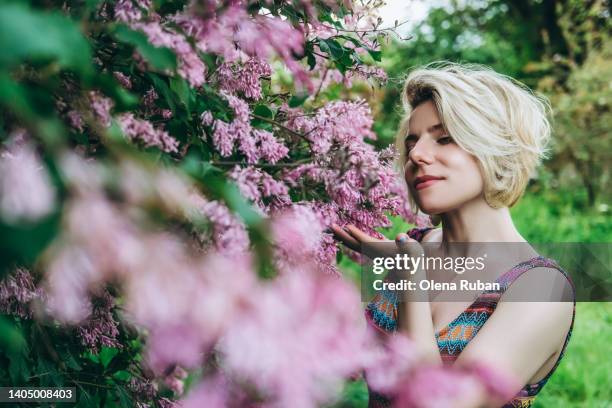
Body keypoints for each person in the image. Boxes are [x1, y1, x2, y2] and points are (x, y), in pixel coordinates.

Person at [331, 62, 575, 407]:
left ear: (495, 148)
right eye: (412, 142)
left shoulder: (541, 290)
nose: (415, 154)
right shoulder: (413, 245)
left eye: (444, 138)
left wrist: (411, 277)